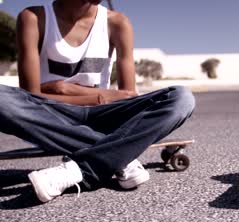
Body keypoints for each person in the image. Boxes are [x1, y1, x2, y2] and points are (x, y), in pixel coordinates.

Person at [0, 0, 195, 203]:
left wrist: (66, 88)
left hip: (104, 114)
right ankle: (120, 157)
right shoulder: (34, 18)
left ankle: (79, 169)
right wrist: (98, 95)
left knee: (181, 98)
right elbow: (31, 95)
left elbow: (128, 95)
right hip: (52, 116)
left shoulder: (117, 23)